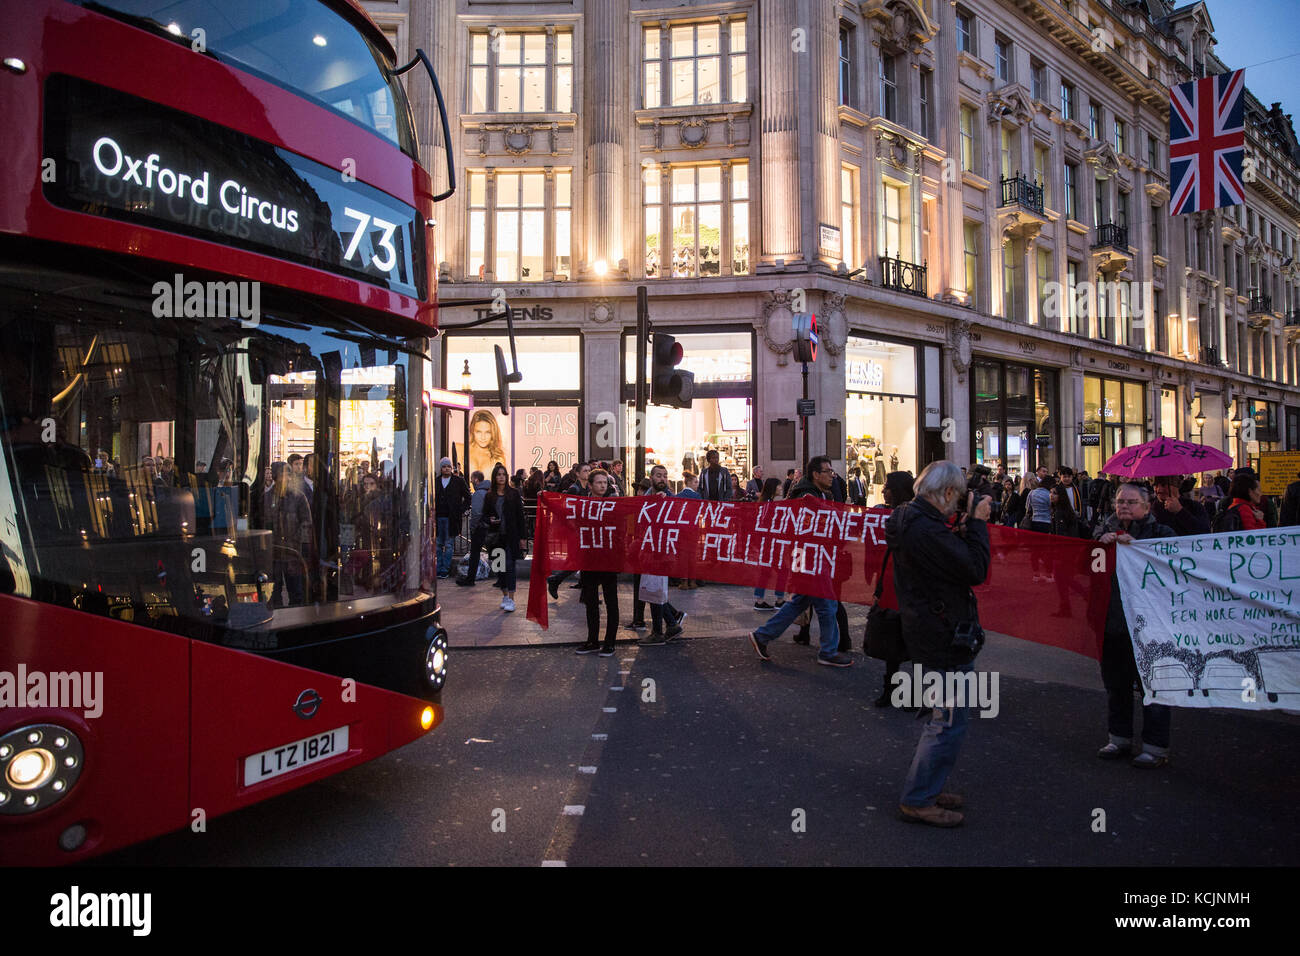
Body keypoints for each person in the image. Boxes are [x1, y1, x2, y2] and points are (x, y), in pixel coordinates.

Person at [886, 460, 991, 827]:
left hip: (926, 629)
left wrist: (958, 531)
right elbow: (976, 570)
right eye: (957, 497)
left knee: (941, 715)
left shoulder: (909, 520)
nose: (957, 505)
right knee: (947, 722)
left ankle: (927, 787)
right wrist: (977, 524)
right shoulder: (927, 531)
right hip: (943, 634)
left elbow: (942, 564)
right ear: (947, 492)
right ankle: (918, 799)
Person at [1095, 483, 1176, 769]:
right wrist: (1100, 544)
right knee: (1116, 684)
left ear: (1146, 505)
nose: (1124, 506)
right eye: (1119, 501)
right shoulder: (1102, 533)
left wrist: (1139, 548)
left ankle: (1155, 747)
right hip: (1113, 622)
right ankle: (1119, 738)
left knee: (1151, 686)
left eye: (1130, 502)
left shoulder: (1161, 534)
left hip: (1150, 626)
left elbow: (1173, 570)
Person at [747, 456, 850, 667]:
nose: (832, 475)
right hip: (811, 557)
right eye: (828, 471)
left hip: (811, 556)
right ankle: (828, 651)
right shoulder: (806, 495)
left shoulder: (817, 492)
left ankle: (762, 636)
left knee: (800, 602)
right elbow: (810, 529)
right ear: (816, 474)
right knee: (827, 604)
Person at [872, 470, 915, 708]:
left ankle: (910, 693)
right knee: (894, 641)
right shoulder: (892, 512)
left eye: (887, 486)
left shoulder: (910, 514)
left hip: (909, 586)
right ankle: (890, 689)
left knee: (912, 641)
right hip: (893, 583)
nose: (883, 490)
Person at [634, 465, 687, 644]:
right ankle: (671, 623)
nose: (662, 479)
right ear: (651, 478)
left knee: (654, 589)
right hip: (648, 550)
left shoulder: (671, 498)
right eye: (658, 476)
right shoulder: (646, 497)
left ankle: (662, 629)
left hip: (662, 552)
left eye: (665, 476)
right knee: (651, 590)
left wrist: (665, 503)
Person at [575, 469, 621, 657]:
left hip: (609, 559)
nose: (603, 485)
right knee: (591, 603)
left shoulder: (614, 505)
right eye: (599, 482)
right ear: (590, 485)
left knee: (612, 602)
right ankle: (592, 641)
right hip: (589, 559)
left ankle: (610, 643)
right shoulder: (582, 504)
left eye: (605, 483)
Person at [265, 461, 312, 607]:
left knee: (296, 592)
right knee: (274, 592)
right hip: (273, 553)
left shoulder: (298, 497)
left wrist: (301, 549)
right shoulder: (266, 498)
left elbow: (306, 523)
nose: (285, 478)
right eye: (281, 474)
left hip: (293, 553)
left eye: (287, 474)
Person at [547, 462, 593, 598]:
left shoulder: (589, 489)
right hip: (576, 531)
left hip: (585, 530)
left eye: (589, 471)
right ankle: (556, 580)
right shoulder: (574, 489)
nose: (588, 473)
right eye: (585, 471)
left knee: (584, 562)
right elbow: (568, 511)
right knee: (581, 562)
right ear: (578, 474)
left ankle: (585, 593)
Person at [433, 457, 471, 578]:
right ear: (441, 468)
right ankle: (438, 567)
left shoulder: (458, 481)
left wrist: (460, 510)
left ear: (451, 467)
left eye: (448, 466)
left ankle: (445, 568)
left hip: (452, 518)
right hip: (438, 517)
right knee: (438, 544)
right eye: (444, 466)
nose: (446, 469)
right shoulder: (436, 481)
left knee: (449, 544)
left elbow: (468, 497)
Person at [753, 477, 786, 610]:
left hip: (767, 542)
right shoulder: (767, 503)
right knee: (782, 569)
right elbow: (764, 522)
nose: (781, 488)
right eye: (779, 486)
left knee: (766, 571)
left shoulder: (767, 502)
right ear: (773, 488)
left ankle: (760, 600)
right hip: (769, 543)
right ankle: (779, 599)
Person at [467, 409, 507, 478]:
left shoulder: (498, 458)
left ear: (493, 433)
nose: (483, 437)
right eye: (479, 432)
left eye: (487, 432)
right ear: (472, 431)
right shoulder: (461, 450)